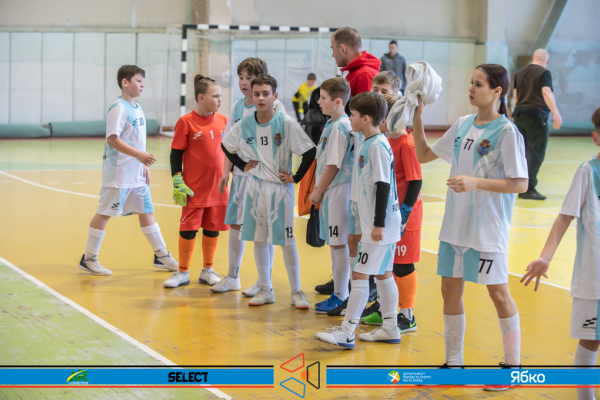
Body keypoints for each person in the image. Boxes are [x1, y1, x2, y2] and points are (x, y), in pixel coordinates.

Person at [412, 64, 528, 389]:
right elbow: (424, 154)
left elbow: (520, 183)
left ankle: (514, 369)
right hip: (454, 227)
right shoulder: (463, 124)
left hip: (487, 229)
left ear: (497, 91)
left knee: (498, 293)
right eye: (471, 82)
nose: (471, 88)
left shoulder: (506, 132)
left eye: (478, 84)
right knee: (449, 290)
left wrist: (475, 182)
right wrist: (418, 116)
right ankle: (454, 364)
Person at [522, 108, 600, 400]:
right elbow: (565, 216)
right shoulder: (588, 172)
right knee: (591, 341)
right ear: (596, 137)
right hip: (594, 278)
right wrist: (545, 257)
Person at [314, 92, 402, 349]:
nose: (349, 118)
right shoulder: (369, 141)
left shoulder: (377, 146)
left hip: (380, 225)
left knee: (360, 274)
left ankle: (347, 332)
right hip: (382, 223)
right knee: (384, 275)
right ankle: (390, 327)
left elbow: (383, 186)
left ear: (365, 118)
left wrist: (377, 224)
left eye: (352, 115)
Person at [221, 74, 316, 310]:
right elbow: (226, 145)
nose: (261, 98)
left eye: (266, 94)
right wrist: (242, 165)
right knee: (259, 239)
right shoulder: (244, 125)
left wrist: (295, 177)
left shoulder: (286, 123)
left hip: (280, 189)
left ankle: (297, 292)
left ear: (275, 96)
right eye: (257, 94)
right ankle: (265, 289)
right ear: (252, 97)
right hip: (255, 187)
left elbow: (309, 151)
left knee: (286, 241)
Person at [78, 65, 178, 276]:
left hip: (137, 174)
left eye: (143, 81)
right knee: (104, 213)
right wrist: (139, 156)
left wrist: (143, 164)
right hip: (119, 174)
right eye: (138, 81)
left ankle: (161, 256)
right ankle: (88, 259)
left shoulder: (137, 108)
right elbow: (112, 139)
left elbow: (137, 140)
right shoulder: (118, 108)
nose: (142, 85)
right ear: (125, 82)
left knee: (146, 212)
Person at [211, 58, 286, 295]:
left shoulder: (276, 106)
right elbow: (229, 143)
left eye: (249, 78)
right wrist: (226, 171)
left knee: (263, 229)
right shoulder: (236, 107)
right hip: (241, 176)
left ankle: (265, 282)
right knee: (236, 224)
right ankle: (232, 276)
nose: (244, 82)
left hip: (264, 179)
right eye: (241, 77)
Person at [360, 93, 422, 333]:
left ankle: (408, 316)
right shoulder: (387, 141)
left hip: (406, 216)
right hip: (393, 215)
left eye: (385, 116)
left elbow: (416, 182)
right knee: (390, 264)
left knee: (404, 266)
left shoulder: (407, 144)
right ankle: (388, 310)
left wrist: (404, 215)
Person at [164, 74, 229, 288]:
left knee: (212, 228)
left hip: (218, 188)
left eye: (220, 96)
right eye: (215, 96)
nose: (220, 100)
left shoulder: (224, 121)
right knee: (188, 229)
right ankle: (182, 272)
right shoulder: (186, 122)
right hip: (194, 189)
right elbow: (175, 153)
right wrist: (177, 179)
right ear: (201, 98)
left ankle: (208, 270)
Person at [309, 77, 353, 315]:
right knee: (336, 244)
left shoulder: (339, 127)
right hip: (333, 191)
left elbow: (333, 165)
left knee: (339, 244)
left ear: (338, 102)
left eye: (323, 98)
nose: (319, 101)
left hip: (339, 190)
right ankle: (339, 292)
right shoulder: (332, 123)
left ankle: (341, 295)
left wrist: (317, 191)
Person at [513, 48, 563, 200]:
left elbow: (515, 96)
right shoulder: (544, 73)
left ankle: (520, 185)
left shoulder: (520, 73)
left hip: (519, 114)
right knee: (536, 153)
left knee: (522, 152)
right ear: (547, 61)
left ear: (533, 58)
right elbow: (546, 92)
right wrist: (556, 113)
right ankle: (528, 188)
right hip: (536, 116)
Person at [331, 27, 381, 97]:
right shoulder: (356, 73)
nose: (333, 55)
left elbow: (366, 104)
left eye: (333, 49)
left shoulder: (364, 75)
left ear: (342, 49)